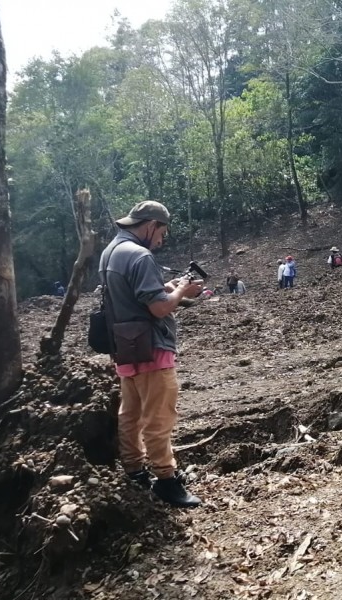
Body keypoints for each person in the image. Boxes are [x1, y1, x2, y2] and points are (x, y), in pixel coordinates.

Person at [99, 200, 203, 508]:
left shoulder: (110, 253)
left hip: (124, 349)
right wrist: (181, 291)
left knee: (129, 414)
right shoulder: (140, 255)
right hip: (151, 351)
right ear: (150, 226)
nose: (162, 240)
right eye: (162, 233)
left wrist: (168, 287)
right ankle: (166, 479)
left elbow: (136, 297)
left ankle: (134, 470)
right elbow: (158, 308)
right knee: (159, 417)